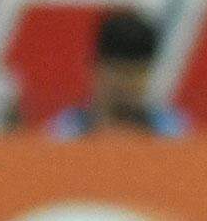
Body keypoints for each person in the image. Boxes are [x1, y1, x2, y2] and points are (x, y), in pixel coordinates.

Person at [47, 9, 188, 140]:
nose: (127, 84)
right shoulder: (63, 135)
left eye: (136, 74)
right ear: (94, 68)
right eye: (118, 73)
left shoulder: (173, 133)